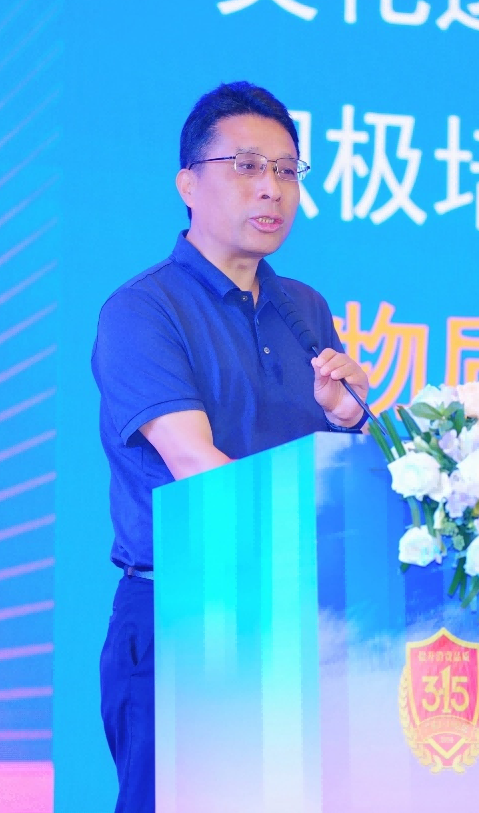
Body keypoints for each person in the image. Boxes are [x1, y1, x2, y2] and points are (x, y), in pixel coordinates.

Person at [92, 81, 371, 813]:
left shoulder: (303, 307)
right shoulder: (142, 310)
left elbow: (331, 471)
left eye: (286, 170)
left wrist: (348, 421)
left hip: (300, 622)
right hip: (186, 615)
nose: (272, 188)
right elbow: (195, 466)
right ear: (188, 184)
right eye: (246, 166)